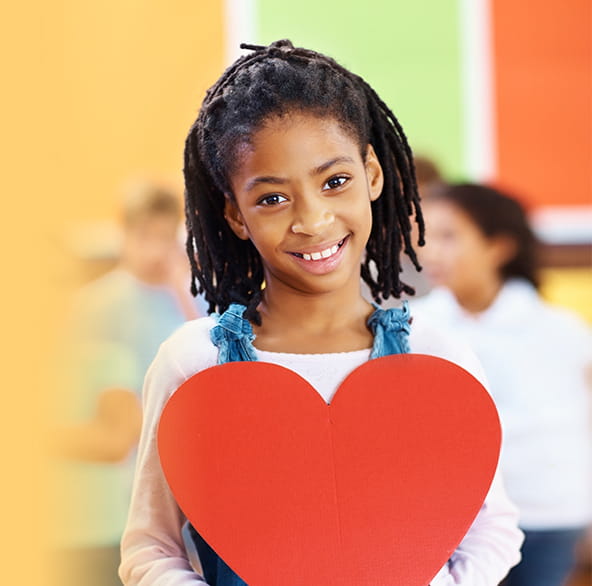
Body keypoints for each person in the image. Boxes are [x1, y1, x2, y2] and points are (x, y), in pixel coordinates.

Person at [118, 40, 523, 585]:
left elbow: (491, 529)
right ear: (235, 215)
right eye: (271, 199)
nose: (312, 220)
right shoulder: (194, 363)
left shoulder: (436, 355)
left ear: (373, 175)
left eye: (335, 182)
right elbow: (151, 548)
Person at [413, 183, 592, 586]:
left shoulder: (562, 331)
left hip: (547, 515)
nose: (430, 252)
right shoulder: (414, 327)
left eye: (449, 236)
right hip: (452, 520)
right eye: (426, 237)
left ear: (499, 247)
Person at [64, 184, 201, 586]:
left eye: (165, 237)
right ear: (124, 234)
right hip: (126, 471)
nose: (156, 250)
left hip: (187, 460)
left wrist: (184, 288)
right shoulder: (93, 306)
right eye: (145, 237)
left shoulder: (191, 295)